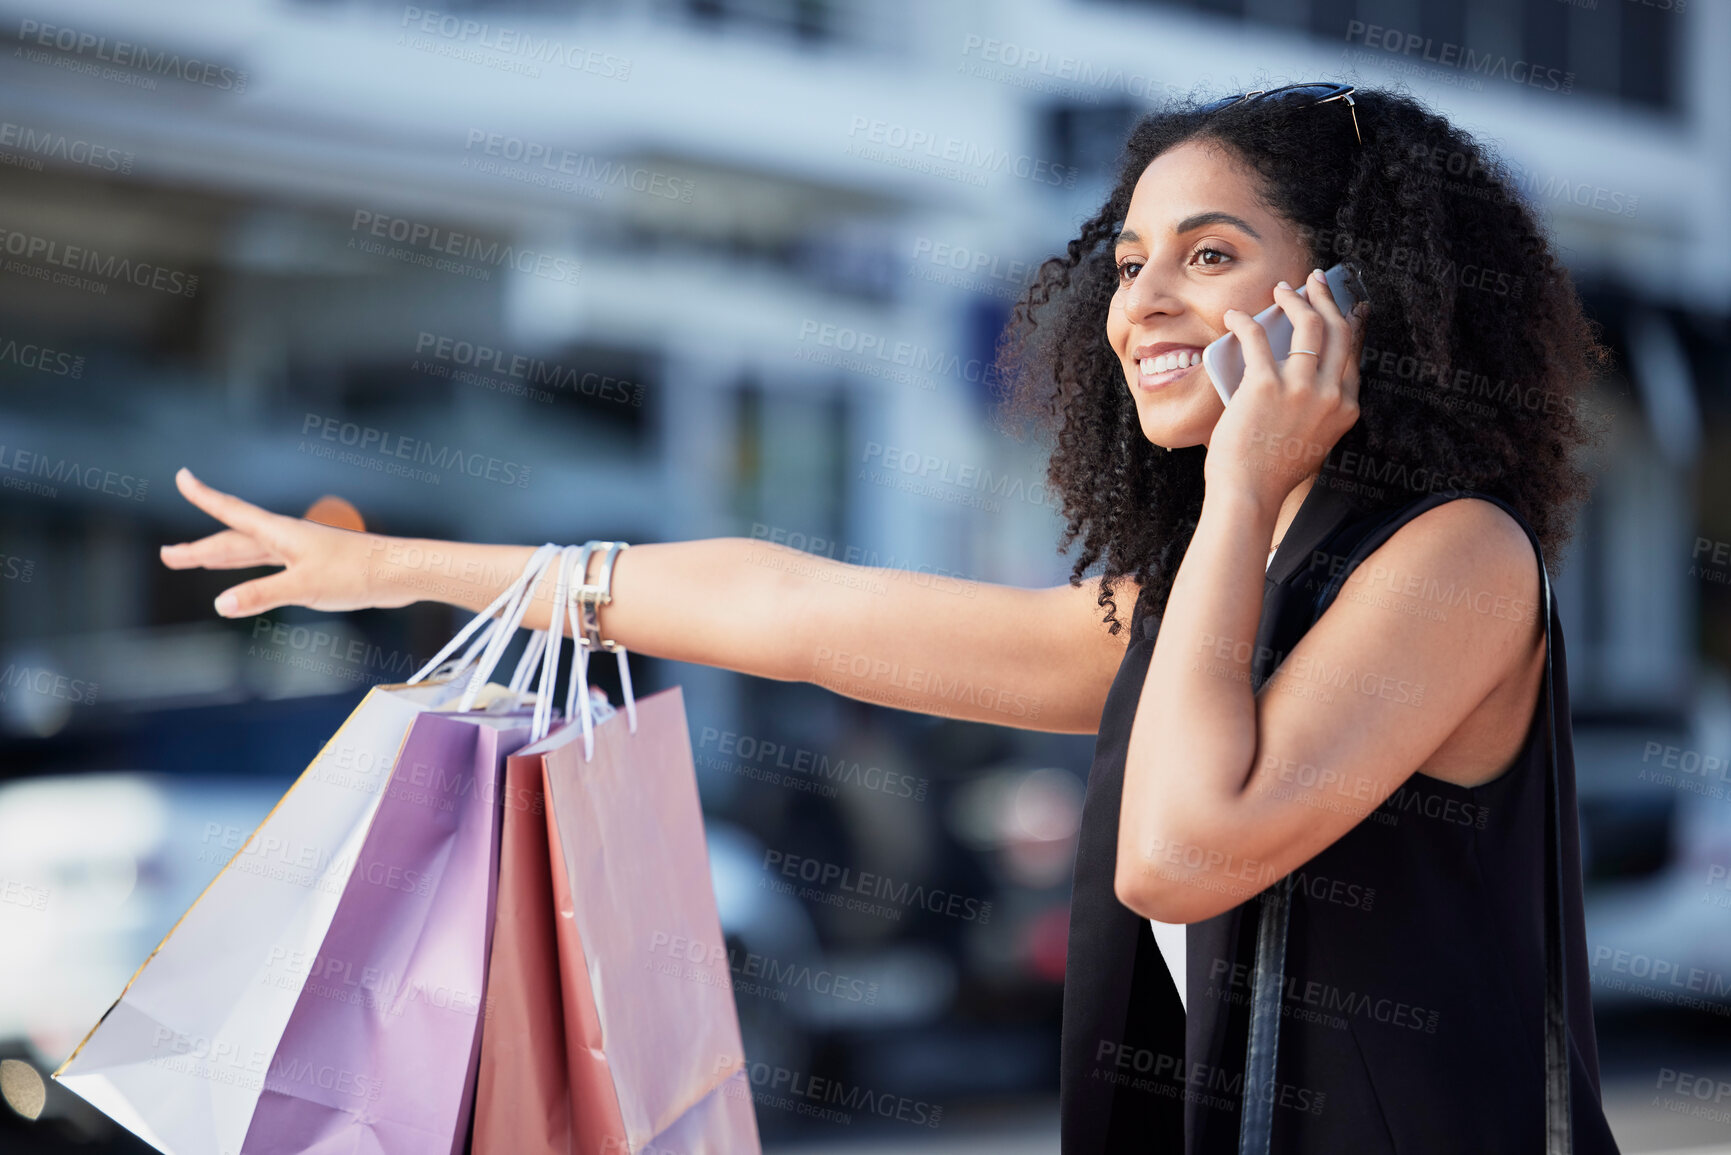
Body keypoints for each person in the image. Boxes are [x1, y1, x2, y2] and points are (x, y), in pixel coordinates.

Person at [160, 81, 1620, 1154]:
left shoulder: (1458, 561)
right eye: (1127, 263)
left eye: (1213, 255)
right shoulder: (1195, 612)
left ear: (1361, 299)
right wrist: (414, 569)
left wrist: (1241, 488)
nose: (1143, 305)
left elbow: (1182, 854)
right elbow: (790, 604)